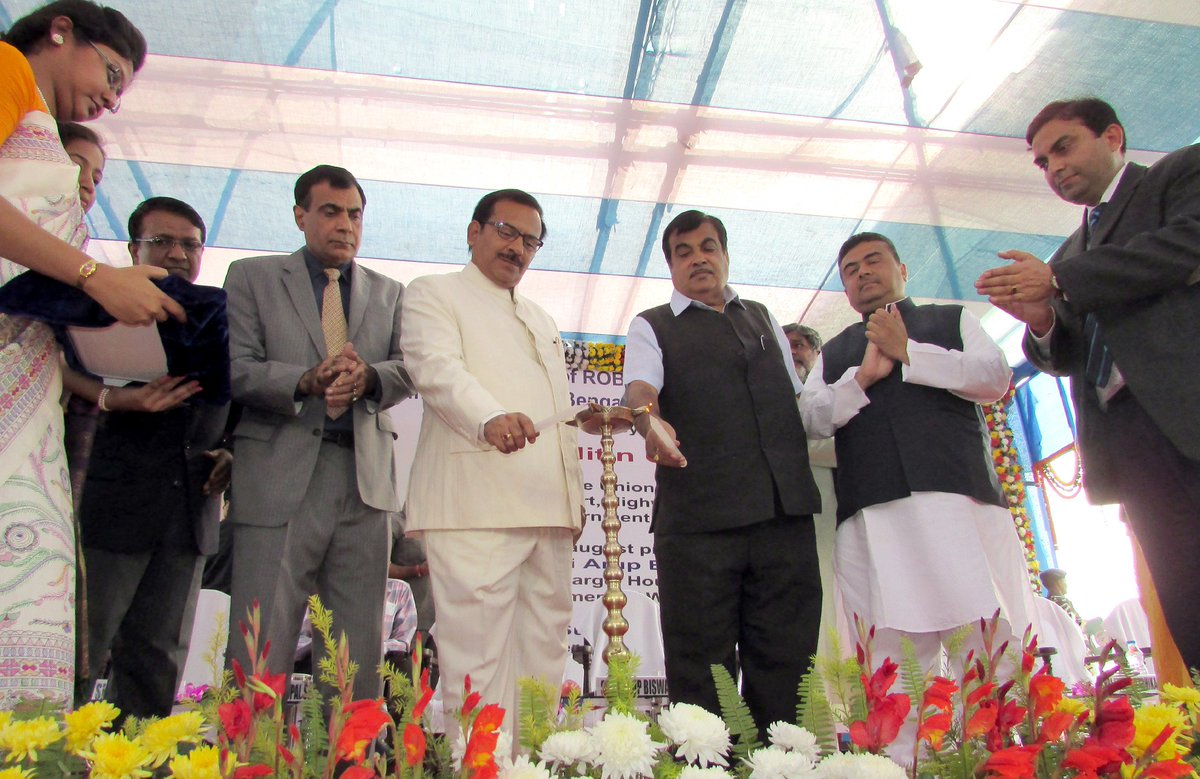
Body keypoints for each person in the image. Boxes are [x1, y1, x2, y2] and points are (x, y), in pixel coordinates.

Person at [0, 0, 182, 709]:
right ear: (60, 32)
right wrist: (93, 277)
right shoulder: (8, 69)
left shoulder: (40, 123)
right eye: (110, 74)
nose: (110, 100)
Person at [975, 97, 1200, 669]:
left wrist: (1057, 280)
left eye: (1064, 147)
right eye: (1043, 162)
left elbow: (1185, 247)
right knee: (1186, 601)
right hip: (1130, 444)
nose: (1054, 167)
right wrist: (1041, 321)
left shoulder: (1178, 174)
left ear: (1113, 137)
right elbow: (1068, 353)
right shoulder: (1070, 252)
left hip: (1189, 412)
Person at [801, 232, 1037, 760]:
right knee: (892, 662)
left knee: (986, 644)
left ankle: (997, 762)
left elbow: (995, 376)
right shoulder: (836, 352)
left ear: (902, 269)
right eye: (851, 269)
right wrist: (862, 378)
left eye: (873, 261)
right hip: (873, 516)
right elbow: (811, 419)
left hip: (958, 505)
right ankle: (902, 767)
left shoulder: (951, 320)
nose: (863, 273)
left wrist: (911, 352)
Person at [622, 210, 822, 736]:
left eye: (708, 247)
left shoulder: (763, 317)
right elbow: (640, 390)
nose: (698, 259)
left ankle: (781, 766)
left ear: (725, 255)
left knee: (786, 660)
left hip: (782, 517)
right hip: (698, 524)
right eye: (683, 252)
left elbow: (800, 403)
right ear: (671, 266)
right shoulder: (651, 325)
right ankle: (705, 766)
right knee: (701, 668)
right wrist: (648, 421)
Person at [223, 165, 414, 701]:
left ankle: (349, 748)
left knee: (357, 650)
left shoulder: (390, 293)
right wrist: (304, 380)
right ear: (300, 215)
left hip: (363, 481)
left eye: (355, 214)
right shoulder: (252, 277)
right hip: (278, 475)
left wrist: (369, 377)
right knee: (261, 640)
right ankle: (254, 747)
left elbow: (409, 368)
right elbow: (235, 367)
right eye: (331, 212)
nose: (345, 225)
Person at [401, 189, 583, 730]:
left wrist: (572, 501)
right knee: (477, 662)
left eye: (531, 241)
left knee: (545, 660)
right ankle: (481, 766)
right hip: (474, 504)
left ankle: (536, 764)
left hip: (547, 510)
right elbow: (436, 369)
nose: (518, 248)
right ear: (474, 231)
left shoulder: (541, 318)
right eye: (507, 232)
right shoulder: (434, 293)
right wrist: (490, 417)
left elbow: (559, 413)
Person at [75, 197, 231, 718]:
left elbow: (239, 406)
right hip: (112, 510)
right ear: (132, 248)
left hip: (188, 517)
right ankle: (48, 753)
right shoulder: (97, 307)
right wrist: (117, 398)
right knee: (83, 652)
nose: (177, 254)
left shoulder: (219, 316)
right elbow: (54, 371)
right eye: (161, 241)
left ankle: (138, 756)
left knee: (158, 664)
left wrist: (231, 452)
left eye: (190, 244)